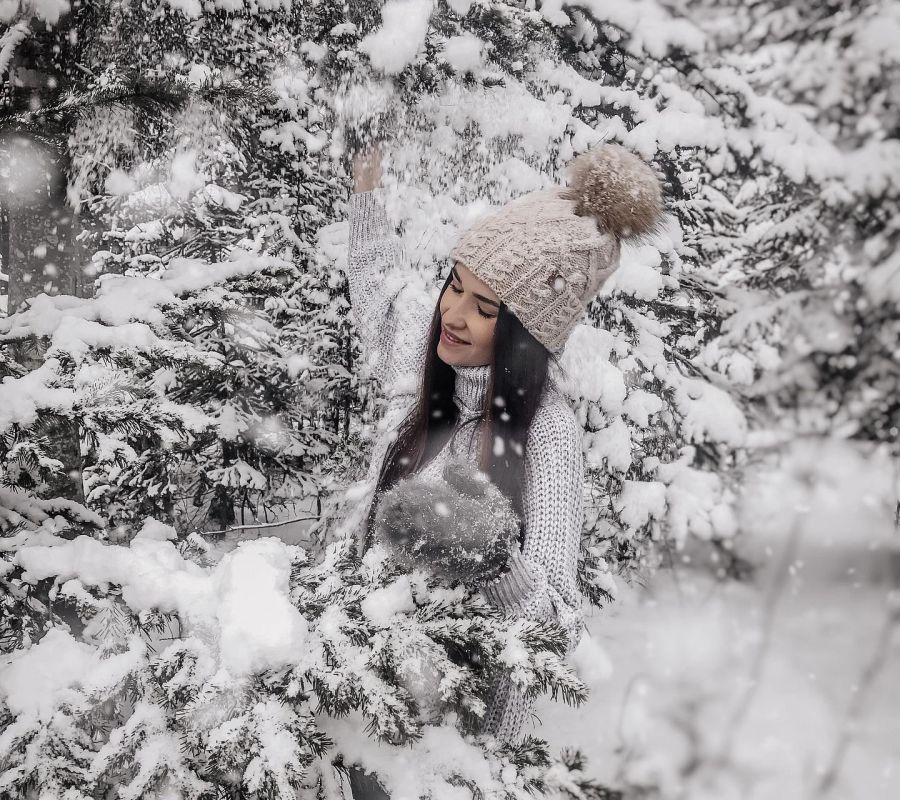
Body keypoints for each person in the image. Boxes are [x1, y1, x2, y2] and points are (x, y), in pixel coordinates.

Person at [343, 139, 664, 799]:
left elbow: (552, 627)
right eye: (454, 288)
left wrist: (493, 559)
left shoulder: (546, 435)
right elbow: (377, 283)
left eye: (485, 309)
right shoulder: (426, 366)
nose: (453, 315)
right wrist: (366, 187)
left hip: (448, 745)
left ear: (525, 330)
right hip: (353, 696)